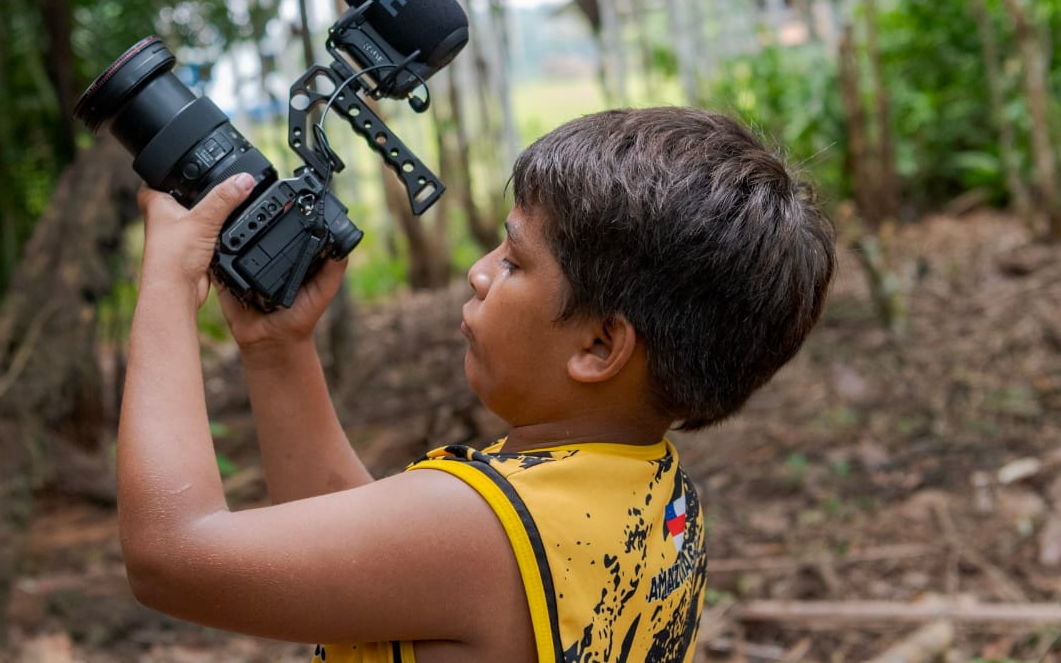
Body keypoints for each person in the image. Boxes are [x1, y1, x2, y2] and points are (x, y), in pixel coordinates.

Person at [117, 106, 836, 662]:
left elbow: (171, 555)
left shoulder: (479, 528)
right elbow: (367, 549)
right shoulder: (656, 497)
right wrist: (278, 349)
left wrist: (167, 282)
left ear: (598, 344)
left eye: (516, 261)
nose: (480, 271)